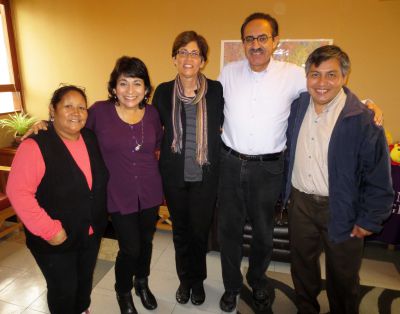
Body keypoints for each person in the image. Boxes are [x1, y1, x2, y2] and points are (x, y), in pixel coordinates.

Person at [217, 12, 383, 312]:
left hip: (268, 168)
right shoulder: (228, 73)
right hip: (230, 163)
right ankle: (231, 286)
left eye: (262, 38)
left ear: (274, 41)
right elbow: (210, 103)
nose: (256, 45)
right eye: (250, 39)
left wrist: (367, 104)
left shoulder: (293, 74)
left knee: (263, 234)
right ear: (243, 43)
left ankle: (257, 281)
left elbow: (331, 88)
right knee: (228, 231)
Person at [22, 57, 163, 314]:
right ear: (114, 87)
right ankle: (123, 291)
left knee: (147, 243)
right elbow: (70, 122)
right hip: (118, 195)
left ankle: (142, 282)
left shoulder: (152, 114)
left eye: (137, 83)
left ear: (145, 88)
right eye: (123, 83)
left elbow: (157, 147)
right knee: (130, 248)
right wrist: (44, 123)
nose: (130, 90)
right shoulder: (99, 111)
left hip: (150, 191)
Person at [284, 45, 393, 314]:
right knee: (302, 267)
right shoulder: (297, 107)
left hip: (342, 208)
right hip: (300, 204)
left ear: (344, 76)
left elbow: (378, 176)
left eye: (331, 75)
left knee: (343, 276)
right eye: (315, 74)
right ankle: (306, 308)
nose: (322, 83)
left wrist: (369, 219)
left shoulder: (363, 120)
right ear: (306, 77)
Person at [6, 85, 109, 314]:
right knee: (64, 290)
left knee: (83, 284)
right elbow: (18, 192)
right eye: (68, 106)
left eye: (81, 107)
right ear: (53, 110)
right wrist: (49, 229)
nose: (76, 112)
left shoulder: (90, 137)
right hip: (55, 237)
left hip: (89, 232)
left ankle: (82, 309)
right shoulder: (35, 144)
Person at [152, 31, 224, 306]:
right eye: (182, 52)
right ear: (173, 58)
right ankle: (185, 280)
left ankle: (198, 281)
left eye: (194, 53)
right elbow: (143, 121)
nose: (188, 58)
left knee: (199, 232)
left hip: (205, 176)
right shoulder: (162, 91)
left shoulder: (216, 91)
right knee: (180, 231)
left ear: (203, 60)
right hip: (174, 176)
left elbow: (234, 121)